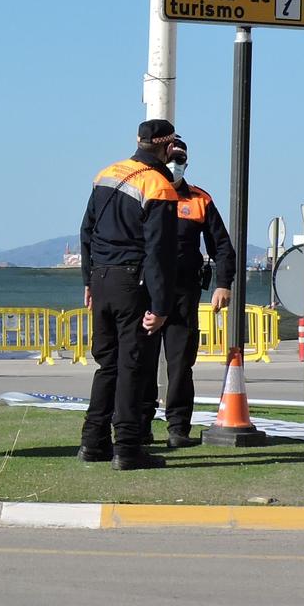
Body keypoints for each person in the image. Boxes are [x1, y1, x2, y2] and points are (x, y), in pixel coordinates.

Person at [76, 119, 182, 469]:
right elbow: (159, 253)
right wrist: (161, 305)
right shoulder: (159, 185)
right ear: (167, 148)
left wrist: (88, 281)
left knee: (107, 365)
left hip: (102, 280)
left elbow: (86, 231)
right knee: (132, 367)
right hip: (132, 284)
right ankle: (127, 447)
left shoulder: (106, 173)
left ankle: (93, 442)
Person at [158, 139, 236, 448]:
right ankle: (136, 424)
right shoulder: (143, 193)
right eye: (171, 157)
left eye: (181, 159)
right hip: (146, 292)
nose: (175, 163)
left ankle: (178, 428)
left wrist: (223, 284)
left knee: (180, 362)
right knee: (140, 360)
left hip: (183, 293)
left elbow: (222, 247)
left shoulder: (200, 199)